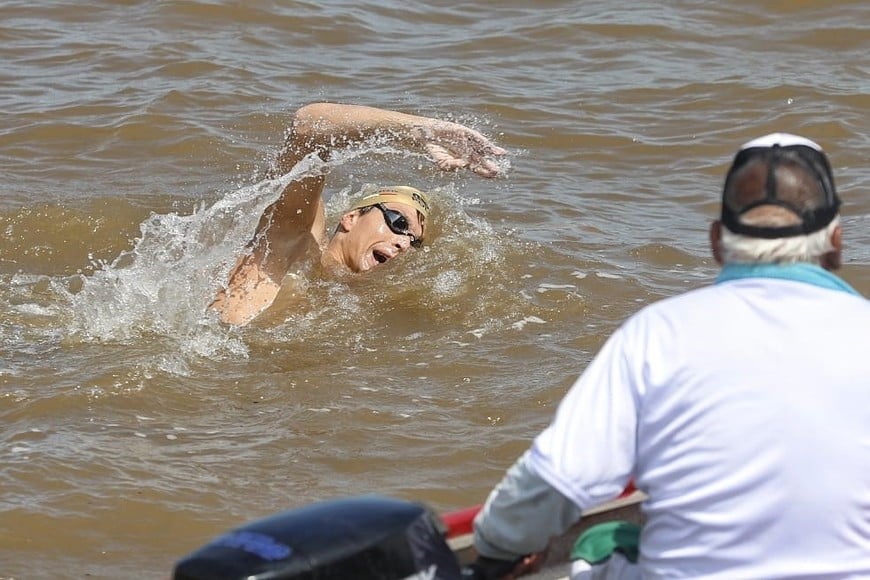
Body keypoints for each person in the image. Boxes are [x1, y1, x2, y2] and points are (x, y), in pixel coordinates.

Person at [466, 133, 870, 579]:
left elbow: (555, 480)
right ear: (836, 241)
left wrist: (500, 547)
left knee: (599, 544)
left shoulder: (657, 335)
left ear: (717, 241)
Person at [209, 102, 507, 325]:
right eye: (398, 222)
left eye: (414, 242)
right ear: (351, 218)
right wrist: (418, 130)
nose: (404, 242)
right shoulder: (294, 247)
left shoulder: (352, 304)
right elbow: (308, 127)